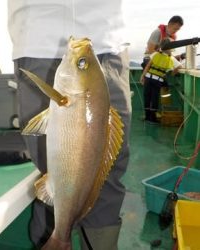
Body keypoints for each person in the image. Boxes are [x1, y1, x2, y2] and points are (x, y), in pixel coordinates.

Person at [7, 1, 131, 249]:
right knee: (49, 168)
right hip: (40, 34)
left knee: (109, 169)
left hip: (108, 38)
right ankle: (55, 237)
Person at [140, 38, 182, 124]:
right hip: (157, 81)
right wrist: (173, 73)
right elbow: (179, 67)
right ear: (170, 48)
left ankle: (147, 117)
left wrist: (142, 76)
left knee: (147, 97)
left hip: (148, 78)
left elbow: (148, 66)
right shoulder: (171, 58)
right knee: (154, 98)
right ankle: (152, 118)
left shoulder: (155, 54)